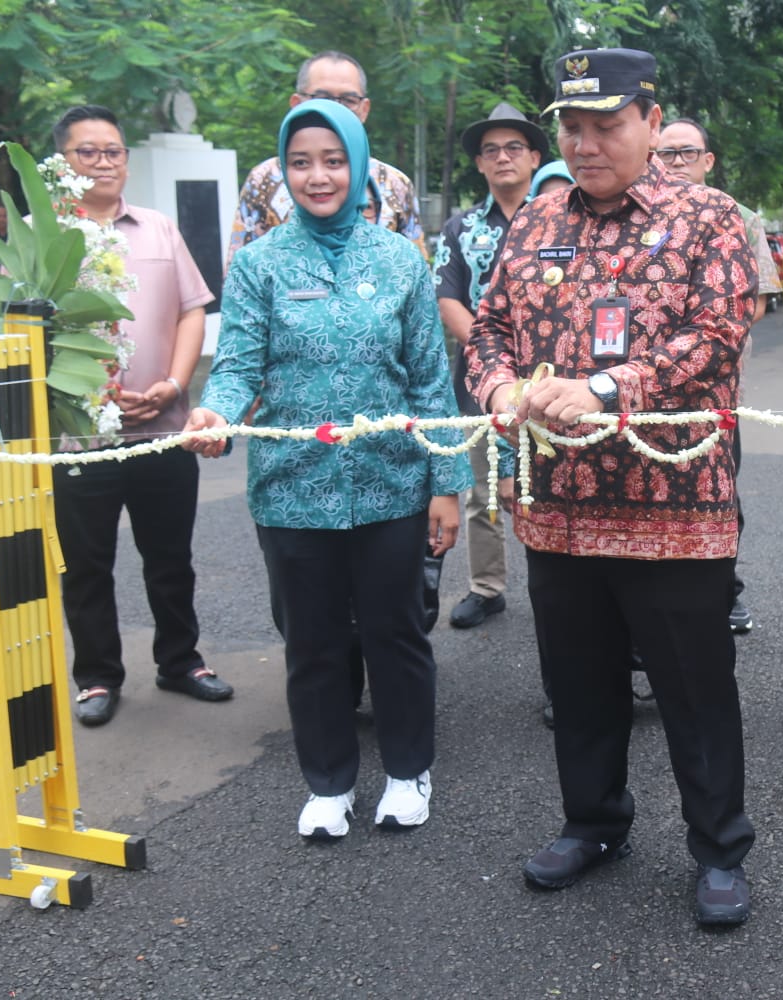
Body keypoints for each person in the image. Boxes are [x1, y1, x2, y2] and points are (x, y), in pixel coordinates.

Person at [466, 47, 758, 926]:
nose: (585, 143)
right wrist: (498, 390)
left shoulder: (709, 217)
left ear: (650, 121)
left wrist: (604, 388)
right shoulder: (536, 220)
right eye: (573, 126)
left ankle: (718, 848)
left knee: (694, 691)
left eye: (605, 125)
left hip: (675, 508)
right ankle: (593, 823)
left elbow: (718, 337)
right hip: (558, 506)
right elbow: (488, 328)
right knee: (580, 682)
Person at [185, 99, 470, 840]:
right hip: (291, 487)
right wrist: (214, 413)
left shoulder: (401, 259)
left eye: (333, 160)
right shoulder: (258, 265)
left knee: (395, 633)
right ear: (284, 172)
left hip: (393, 484)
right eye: (302, 162)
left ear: (359, 164)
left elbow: (431, 379)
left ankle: (409, 772)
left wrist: (448, 483)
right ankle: (328, 783)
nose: (318, 176)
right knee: (312, 642)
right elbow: (237, 362)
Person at [47, 105, 232, 727]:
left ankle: (181, 661)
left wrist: (174, 384)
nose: (103, 162)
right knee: (87, 562)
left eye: (114, 151)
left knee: (170, 557)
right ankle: (97, 676)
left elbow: (191, 311)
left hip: (162, 426)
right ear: (62, 163)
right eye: (87, 152)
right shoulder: (40, 235)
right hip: (78, 436)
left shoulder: (157, 228)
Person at [654, 116, 781, 635]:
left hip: (713, 391)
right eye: (666, 154)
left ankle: (726, 591)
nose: (676, 163)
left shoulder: (738, 217)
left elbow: (757, 302)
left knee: (720, 493)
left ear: (708, 160)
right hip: (642, 389)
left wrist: (696, 339)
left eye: (687, 153)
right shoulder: (640, 217)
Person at [437, 102, 547, 632]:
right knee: (484, 490)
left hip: (556, 381)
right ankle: (487, 586)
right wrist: (492, 355)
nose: (502, 158)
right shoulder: (461, 227)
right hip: (480, 385)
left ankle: (565, 583)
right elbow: (448, 299)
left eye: (514, 148)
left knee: (555, 484)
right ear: (479, 164)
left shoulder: (560, 215)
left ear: (535, 156)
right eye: (491, 150)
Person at [227, 51, 426, 266]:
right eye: (322, 98)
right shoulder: (264, 179)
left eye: (348, 100)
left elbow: (417, 271)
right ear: (296, 103)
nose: (336, 108)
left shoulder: (395, 183)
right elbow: (239, 271)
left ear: (364, 109)